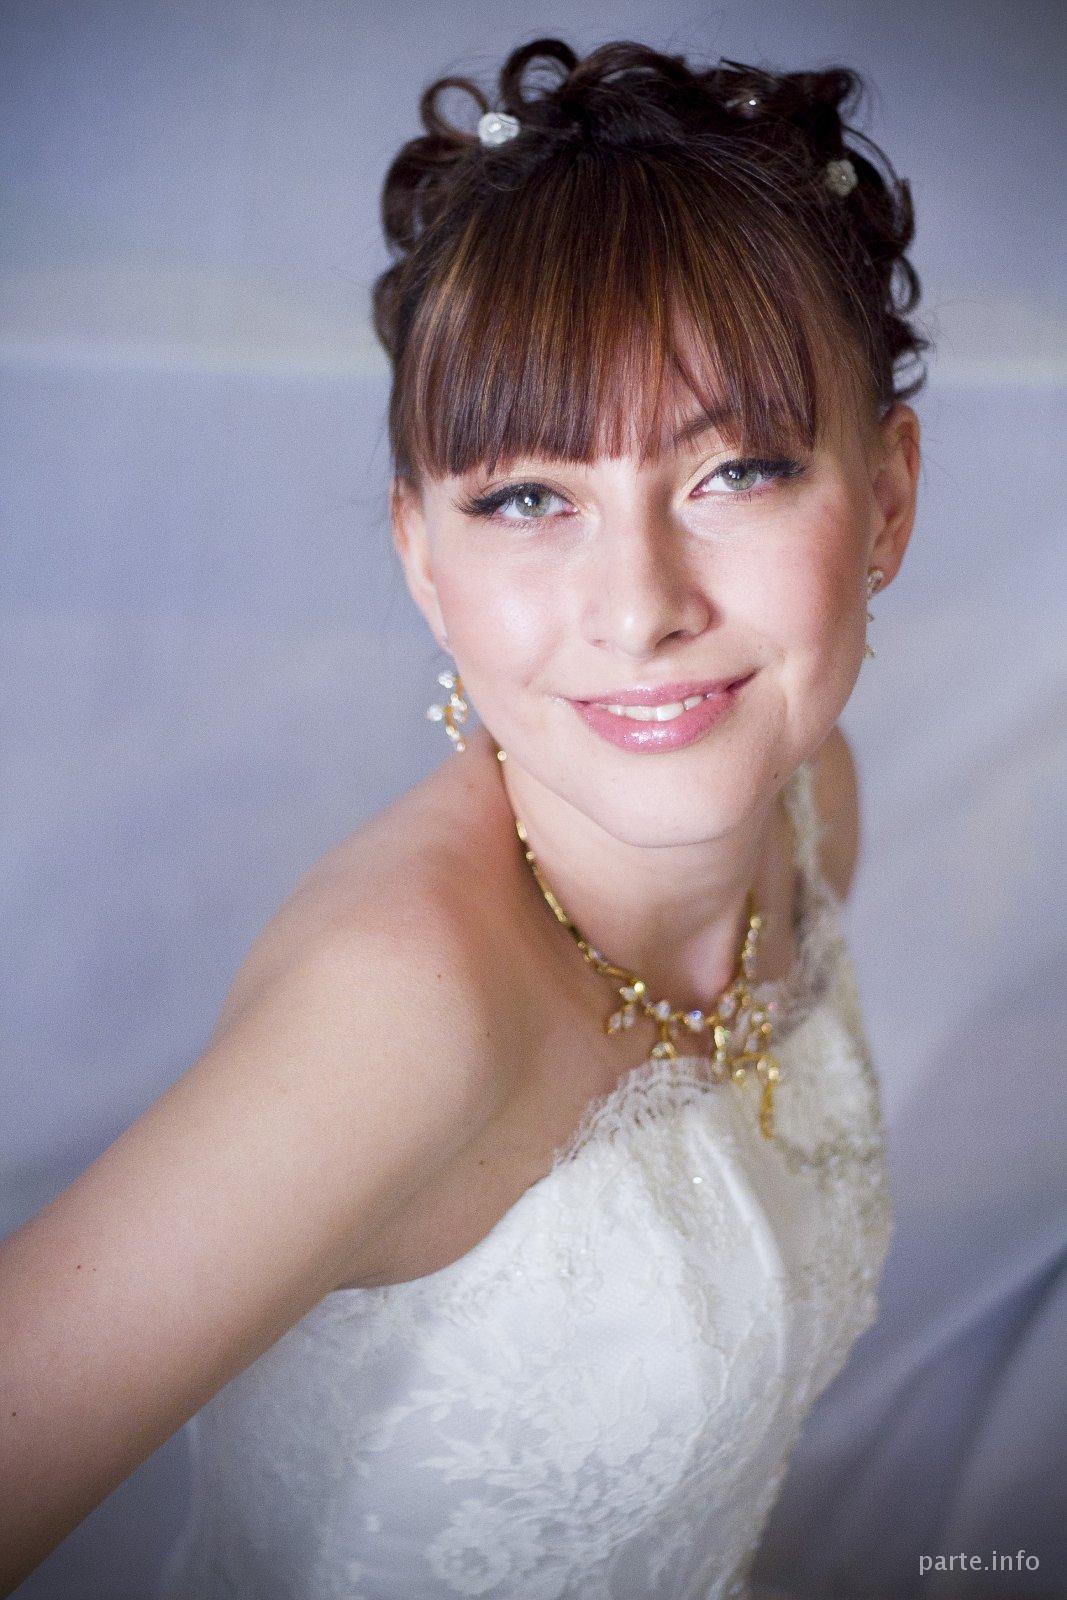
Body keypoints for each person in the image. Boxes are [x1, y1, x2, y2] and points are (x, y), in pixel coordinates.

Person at [0, 34, 926, 1600]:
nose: (638, 609)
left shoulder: (809, 802)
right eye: (526, 498)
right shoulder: (401, 1015)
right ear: (424, 560)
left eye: (738, 472)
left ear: (889, 497)